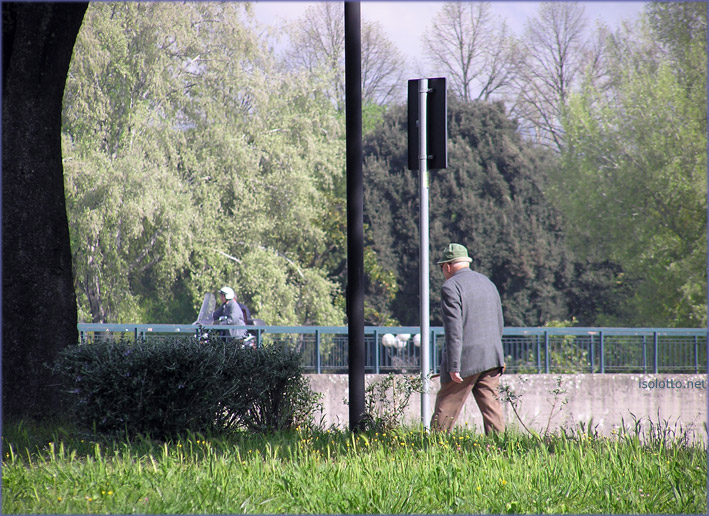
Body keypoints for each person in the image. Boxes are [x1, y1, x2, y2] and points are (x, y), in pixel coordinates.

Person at [431, 243, 506, 434]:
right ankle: (501, 449)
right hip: (492, 356)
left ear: (447, 266)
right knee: (492, 409)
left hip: (466, 360)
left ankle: (433, 449)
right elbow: (499, 321)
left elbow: (454, 331)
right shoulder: (488, 283)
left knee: (446, 407)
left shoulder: (451, 287)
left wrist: (453, 366)